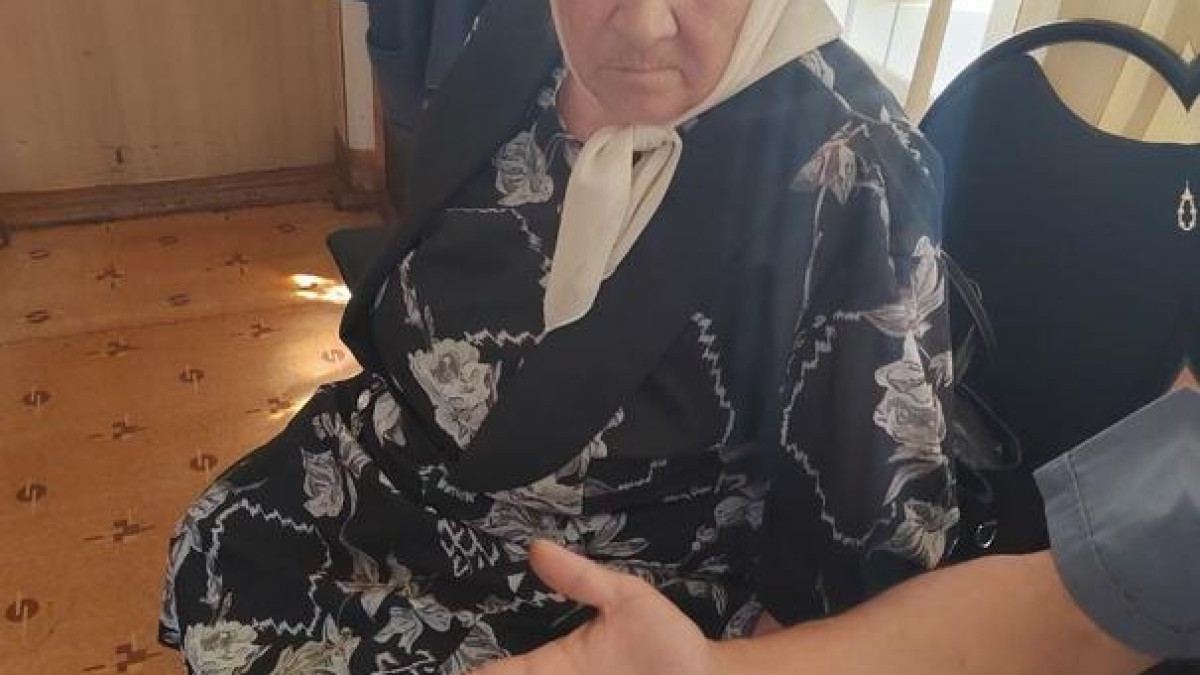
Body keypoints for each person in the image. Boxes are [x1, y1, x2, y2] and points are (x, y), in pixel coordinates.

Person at [162, 0, 1040, 672]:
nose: (647, 24)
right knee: (222, 543)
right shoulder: (525, 35)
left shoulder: (853, 177)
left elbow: (858, 559)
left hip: (603, 594)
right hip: (396, 478)